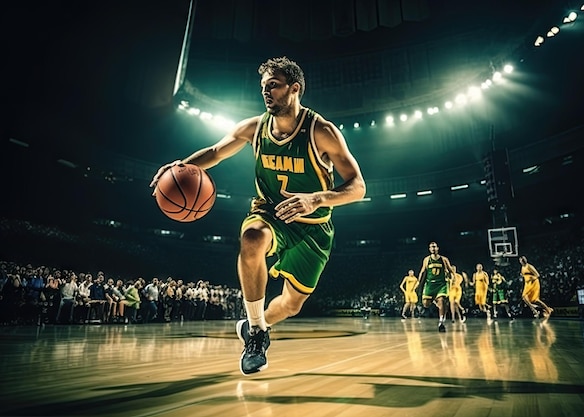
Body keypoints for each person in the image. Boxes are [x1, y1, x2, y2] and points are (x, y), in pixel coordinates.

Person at [150, 56, 366, 375]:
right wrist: (180, 165)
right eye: (263, 87)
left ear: (294, 89)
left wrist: (317, 199)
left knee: (292, 305)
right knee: (252, 239)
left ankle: (256, 322)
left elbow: (358, 186)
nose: (266, 92)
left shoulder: (321, 131)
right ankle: (256, 332)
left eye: (273, 86)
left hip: (314, 226)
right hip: (269, 212)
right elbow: (214, 152)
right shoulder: (253, 127)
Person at [417, 242, 455, 332]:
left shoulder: (444, 259)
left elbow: (451, 271)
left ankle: (441, 322)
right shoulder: (426, 260)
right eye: (431, 247)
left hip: (441, 284)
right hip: (430, 284)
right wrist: (418, 283)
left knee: (441, 300)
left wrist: (453, 279)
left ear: (438, 248)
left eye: (434, 247)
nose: (433, 249)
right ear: (429, 249)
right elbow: (422, 272)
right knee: (425, 304)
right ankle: (435, 301)